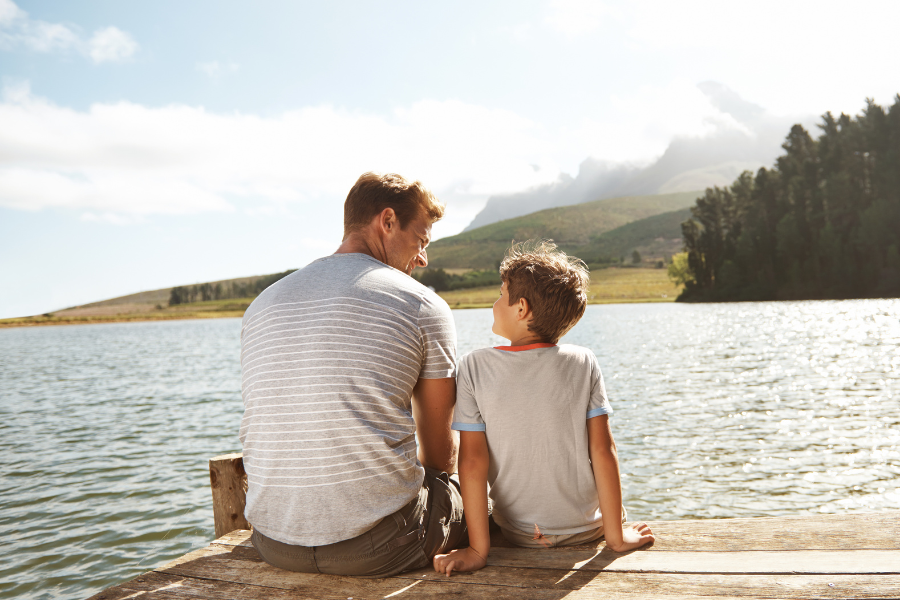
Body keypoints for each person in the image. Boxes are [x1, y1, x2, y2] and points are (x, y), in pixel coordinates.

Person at [239, 172, 466, 577]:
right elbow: (439, 456)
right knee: (476, 488)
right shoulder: (421, 305)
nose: (422, 259)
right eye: (421, 240)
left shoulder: (262, 304)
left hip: (273, 542)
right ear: (388, 221)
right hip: (380, 547)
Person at [433, 240, 654, 576]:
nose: (494, 303)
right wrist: (616, 536)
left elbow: (473, 460)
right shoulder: (584, 361)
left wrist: (478, 550)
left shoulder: (474, 366)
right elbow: (603, 450)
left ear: (521, 308)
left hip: (523, 534)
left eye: (501, 294)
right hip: (589, 529)